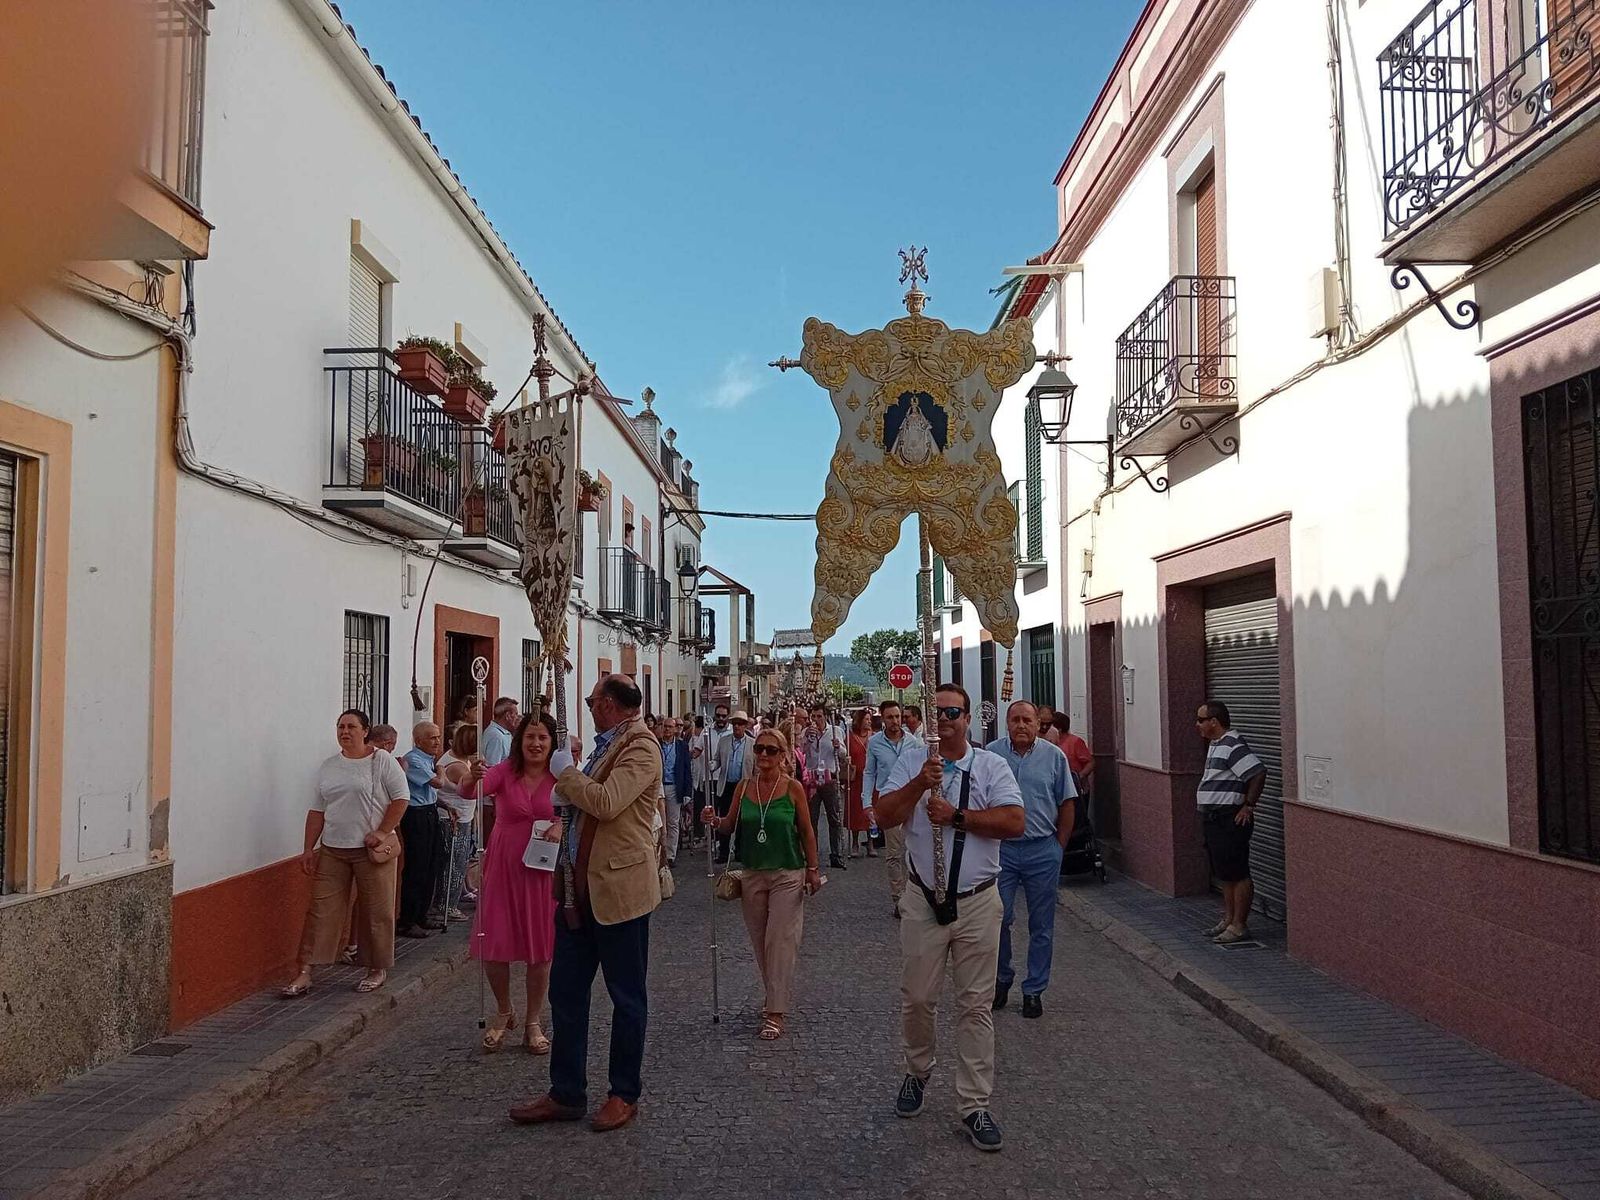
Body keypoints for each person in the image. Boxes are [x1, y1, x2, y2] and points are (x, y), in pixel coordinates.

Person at [509, 674, 661, 1133]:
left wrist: (566, 775)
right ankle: (566, 1091)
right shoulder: (604, 745)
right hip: (577, 892)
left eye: (594, 699)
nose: (591, 705)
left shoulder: (640, 747)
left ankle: (623, 1092)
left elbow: (608, 802)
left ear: (611, 705)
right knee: (567, 993)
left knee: (626, 998)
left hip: (618, 892)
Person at [876, 684, 1024, 1152]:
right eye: (936, 712)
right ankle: (917, 1072)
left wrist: (958, 816)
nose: (944, 719)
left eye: (952, 712)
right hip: (923, 898)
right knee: (918, 998)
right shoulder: (912, 762)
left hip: (979, 900)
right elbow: (883, 816)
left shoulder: (991, 766)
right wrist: (920, 783)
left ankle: (975, 1104)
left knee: (975, 1005)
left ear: (967, 718)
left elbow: (1014, 822)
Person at [699, 726, 821, 1040]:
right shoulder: (744, 786)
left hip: (787, 873)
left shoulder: (792, 788)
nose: (763, 755)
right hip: (752, 873)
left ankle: (775, 1012)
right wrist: (713, 820)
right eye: (760, 750)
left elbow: (807, 831)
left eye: (771, 750)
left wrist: (812, 869)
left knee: (779, 941)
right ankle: (773, 995)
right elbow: (729, 826)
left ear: (783, 756)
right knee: (761, 943)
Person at [282, 709, 408, 997]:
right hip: (334, 848)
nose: (345, 731)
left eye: (351, 726)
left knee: (376, 911)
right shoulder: (329, 766)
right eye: (340, 726)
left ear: (365, 731)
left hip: (371, 850)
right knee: (320, 910)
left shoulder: (382, 762)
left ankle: (376, 968)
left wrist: (382, 831)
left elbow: (402, 799)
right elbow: (317, 809)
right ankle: (305, 971)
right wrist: (307, 848)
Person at [470, 711, 562, 1054]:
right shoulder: (505, 772)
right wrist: (471, 775)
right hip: (504, 866)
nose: (536, 744)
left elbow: (576, 809)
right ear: (518, 742)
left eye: (542, 738)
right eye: (529, 738)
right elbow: (472, 791)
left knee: (540, 949)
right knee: (494, 944)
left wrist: (561, 824)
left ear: (552, 743)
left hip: (541, 870)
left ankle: (533, 1021)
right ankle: (504, 1009)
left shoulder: (560, 775)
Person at [986, 701, 1075, 1018]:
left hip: (1042, 850)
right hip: (1002, 851)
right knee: (999, 917)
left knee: (1042, 924)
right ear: (1007, 724)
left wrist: (1058, 847)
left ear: (1039, 724)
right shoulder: (992, 755)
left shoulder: (1055, 757)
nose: (1021, 725)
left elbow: (1066, 802)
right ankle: (1000, 979)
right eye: (1015, 720)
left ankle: (1034, 990)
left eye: (1027, 720)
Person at [1196, 699, 1267, 944]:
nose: (1198, 725)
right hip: (1214, 818)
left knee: (1237, 872)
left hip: (1229, 819)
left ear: (1214, 722)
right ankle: (1228, 918)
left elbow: (1257, 771)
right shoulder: (1216, 744)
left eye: (1200, 720)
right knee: (1225, 872)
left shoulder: (1232, 744)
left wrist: (1248, 805)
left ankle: (1239, 925)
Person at [863, 700, 923, 918]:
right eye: (891, 717)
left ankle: (917, 894)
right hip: (889, 802)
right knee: (894, 854)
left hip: (913, 801)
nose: (896, 721)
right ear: (883, 718)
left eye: (898, 717)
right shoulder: (875, 743)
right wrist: (866, 802)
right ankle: (899, 898)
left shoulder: (914, 742)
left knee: (916, 850)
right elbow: (869, 773)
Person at [398, 722, 447, 938]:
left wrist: (445, 806)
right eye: (432, 738)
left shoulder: (428, 759)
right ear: (418, 741)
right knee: (417, 867)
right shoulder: (414, 759)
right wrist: (441, 771)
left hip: (429, 811)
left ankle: (422, 914)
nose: (437, 741)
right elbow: (437, 783)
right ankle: (407, 920)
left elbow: (431, 794)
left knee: (431, 865)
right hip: (416, 816)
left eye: (438, 737)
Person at [433, 723, 479, 924]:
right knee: (454, 863)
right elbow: (475, 788)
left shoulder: (458, 759)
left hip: (462, 816)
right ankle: (446, 905)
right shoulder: (459, 767)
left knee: (458, 862)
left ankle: (450, 901)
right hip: (454, 819)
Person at [798, 704, 848, 870]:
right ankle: (812, 855)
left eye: (819, 716)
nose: (816, 720)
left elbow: (843, 754)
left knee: (834, 817)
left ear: (825, 717)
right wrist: (806, 740)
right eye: (814, 717)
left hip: (830, 777)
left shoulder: (835, 731)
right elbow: (801, 753)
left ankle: (836, 854)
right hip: (812, 779)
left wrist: (838, 747)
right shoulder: (807, 732)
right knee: (811, 819)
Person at [712, 711, 755, 864]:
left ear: (745, 726)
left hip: (743, 786)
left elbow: (755, 768)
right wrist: (713, 765)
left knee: (742, 821)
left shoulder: (752, 743)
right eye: (735, 723)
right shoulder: (724, 741)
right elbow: (717, 760)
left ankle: (739, 851)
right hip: (727, 785)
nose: (737, 726)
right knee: (724, 818)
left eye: (740, 724)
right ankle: (723, 853)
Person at [480, 696, 519, 849]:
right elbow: (492, 770)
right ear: (508, 715)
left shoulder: (504, 734)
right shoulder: (496, 736)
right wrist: (496, 800)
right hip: (492, 801)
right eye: (515, 714)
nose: (516, 717)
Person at [659, 717, 691, 867]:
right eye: (665, 726)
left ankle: (670, 855)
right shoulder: (656, 745)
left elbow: (686, 770)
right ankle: (659, 853)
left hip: (674, 786)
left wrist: (687, 793)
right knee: (658, 823)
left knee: (673, 822)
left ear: (675, 729)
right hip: (658, 786)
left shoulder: (681, 746)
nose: (667, 730)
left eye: (670, 727)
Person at [846, 708, 873, 857]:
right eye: (866, 719)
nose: (869, 722)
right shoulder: (850, 738)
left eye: (870, 719)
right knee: (855, 810)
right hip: (856, 779)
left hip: (870, 778)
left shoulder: (874, 737)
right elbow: (844, 754)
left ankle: (870, 842)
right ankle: (855, 842)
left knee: (870, 809)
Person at [1052, 714, 1094, 797]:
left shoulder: (1075, 742)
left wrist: (1079, 777)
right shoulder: (1049, 742)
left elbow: (1090, 763)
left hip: (1076, 789)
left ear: (1059, 729)